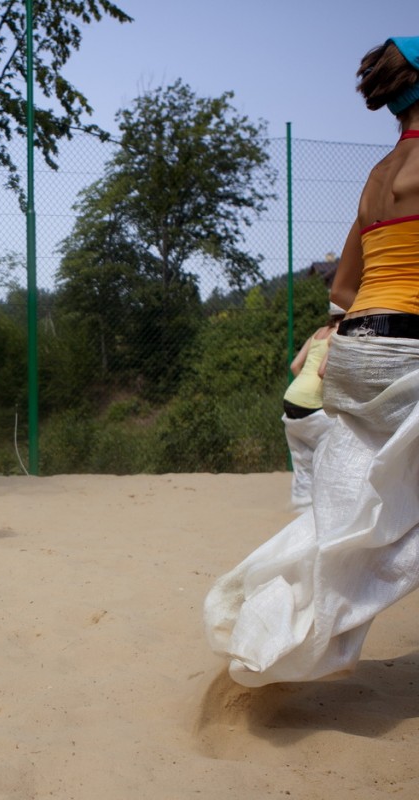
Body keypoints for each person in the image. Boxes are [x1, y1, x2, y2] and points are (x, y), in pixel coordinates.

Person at [205, 37, 419, 686]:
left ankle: (267, 620)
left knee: (352, 512)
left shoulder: (378, 177)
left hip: (356, 351)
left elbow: (344, 288)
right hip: (409, 345)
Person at [281, 302, 346, 511]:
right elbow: (322, 371)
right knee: (336, 442)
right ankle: (332, 503)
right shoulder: (341, 332)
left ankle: (301, 503)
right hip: (311, 402)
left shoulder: (319, 332)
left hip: (291, 397)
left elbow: (294, 365)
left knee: (301, 455)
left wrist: (304, 388)